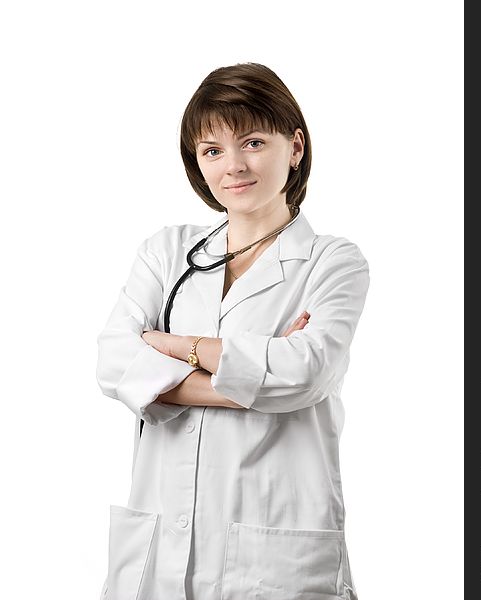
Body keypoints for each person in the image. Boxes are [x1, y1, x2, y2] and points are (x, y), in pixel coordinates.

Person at [96, 62, 370, 600]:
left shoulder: (333, 262)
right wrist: (253, 376)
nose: (234, 166)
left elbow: (305, 373)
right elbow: (112, 362)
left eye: (252, 142)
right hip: (158, 543)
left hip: (276, 557)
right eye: (212, 150)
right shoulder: (167, 252)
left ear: (294, 146)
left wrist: (174, 350)